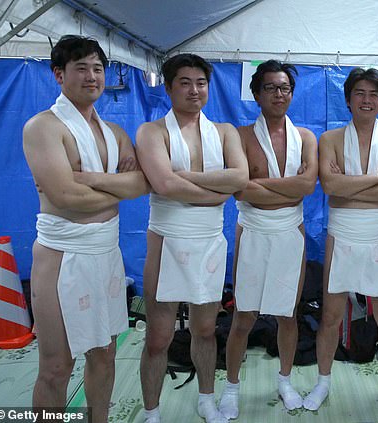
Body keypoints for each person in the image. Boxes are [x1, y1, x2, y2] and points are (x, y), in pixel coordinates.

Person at [22, 35, 148, 423]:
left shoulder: (115, 133)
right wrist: (115, 189)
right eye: (81, 68)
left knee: (105, 354)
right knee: (57, 367)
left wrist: (87, 179)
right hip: (61, 256)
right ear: (59, 75)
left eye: (97, 68)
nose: (92, 76)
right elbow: (63, 197)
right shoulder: (43, 127)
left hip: (105, 254)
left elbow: (142, 183)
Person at [135, 54, 248, 423]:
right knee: (158, 336)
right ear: (168, 88)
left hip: (208, 240)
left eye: (200, 83)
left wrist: (185, 179)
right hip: (167, 238)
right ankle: (151, 412)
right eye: (184, 82)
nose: (194, 90)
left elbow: (239, 179)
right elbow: (163, 184)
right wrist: (215, 191)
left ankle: (206, 400)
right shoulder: (152, 132)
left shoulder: (226, 132)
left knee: (204, 329)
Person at [303, 68, 378, 415]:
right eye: (359, 93)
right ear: (348, 99)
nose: (367, 100)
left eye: (373, 94)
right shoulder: (331, 140)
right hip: (342, 236)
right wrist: (377, 180)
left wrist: (351, 183)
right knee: (331, 316)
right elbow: (330, 188)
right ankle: (323, 382)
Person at [218, 60, 318, 419]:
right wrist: (284, 191)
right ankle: (230, 388)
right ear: (257, 95)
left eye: (285, 88)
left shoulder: (305, 137)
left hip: (291, 231)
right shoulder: (240, 137)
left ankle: (285, 380)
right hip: (254, 231)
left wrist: (260, 189)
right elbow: (239, 189)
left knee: (288, 314)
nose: (279, 94)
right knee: (243, 316)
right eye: (271, 88)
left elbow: (306, 187)